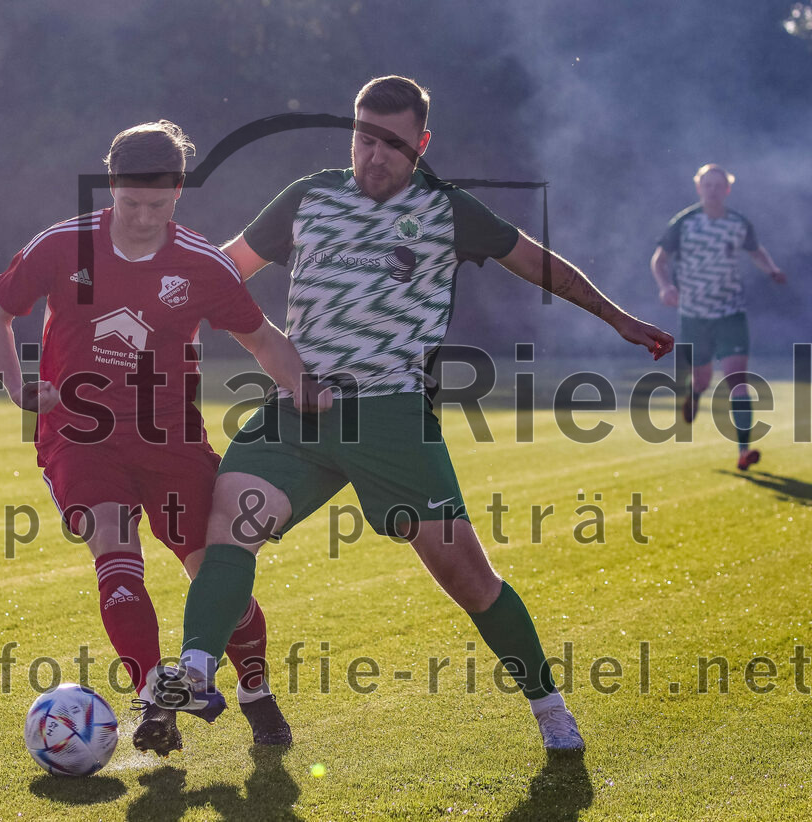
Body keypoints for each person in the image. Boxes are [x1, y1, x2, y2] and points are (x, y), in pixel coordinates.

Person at [154, 76, 674, 752]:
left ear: (422, 144)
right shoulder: (308, 198)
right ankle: (195, 670)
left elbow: (537, 264)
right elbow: (225, 270)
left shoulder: (447, 211)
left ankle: (548, 707)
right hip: (299, 408)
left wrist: (618, 318)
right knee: (228, 522)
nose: (374, 155)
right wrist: (158, 313)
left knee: (470, 580)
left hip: (390, 416)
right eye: (364, 137)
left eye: (392, 144)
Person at [0, 121, 330, 756]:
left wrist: (305, 387)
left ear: (179, 193)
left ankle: (253, 688)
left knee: (216, 572)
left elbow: (263, 339)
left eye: (157, 205)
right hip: (78, 435)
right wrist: (16, 381)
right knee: (113, 549)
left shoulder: (201, 263)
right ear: (110, 188)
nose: (142, 217)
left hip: (170, 442)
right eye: (130, 202)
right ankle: (151, 696)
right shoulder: (62, 246)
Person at [650, 163, 787, 470]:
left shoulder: (739, 223)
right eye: (707, 185)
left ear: (727, 189)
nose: (712, 190)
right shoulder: (684, 223)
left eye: (718, 185)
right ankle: (695, 393)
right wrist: (666, 287)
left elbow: (756, 251)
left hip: (730, 313)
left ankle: (743, 450)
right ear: (699, 188)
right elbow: (659, 259)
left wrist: (772, 269)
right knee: (703, 378)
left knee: (737, 380)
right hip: (695, 315)